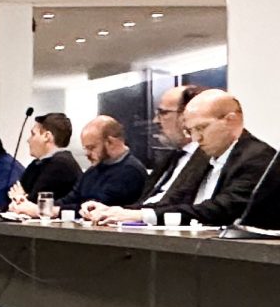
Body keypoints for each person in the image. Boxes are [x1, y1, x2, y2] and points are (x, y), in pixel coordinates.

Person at [85, 91, 277, 227]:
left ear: (231, 120)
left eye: (201, 128)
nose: (196, 138)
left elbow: (221, 209)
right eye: (191, 131)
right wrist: (115, 211)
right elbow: (174, 201)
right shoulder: (206, 157)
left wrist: (141, 215)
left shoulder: (258, 157)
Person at [11, 116, 144, 216]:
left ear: (110, 142)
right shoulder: (93, 171)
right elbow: (70, 200)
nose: (87, 154)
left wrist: (45, 210)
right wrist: (38, 208)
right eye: (85, 148)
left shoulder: (130, 171)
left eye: (91, 148)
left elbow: (96, 208)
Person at [137, 84, 209, 206]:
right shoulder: (170, 158)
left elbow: (179, 205)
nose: (156, 121)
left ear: (186, 116)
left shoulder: (209, 158)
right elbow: (145, 201)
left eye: (163, 113)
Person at [7, 113, 81, 206]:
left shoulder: (61, 164)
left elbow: (33, 203)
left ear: (47, 136)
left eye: (33, 134)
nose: (28, 140)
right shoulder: (36, 164)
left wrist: (20, 198)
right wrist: (19, 198)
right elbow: (13, 198)